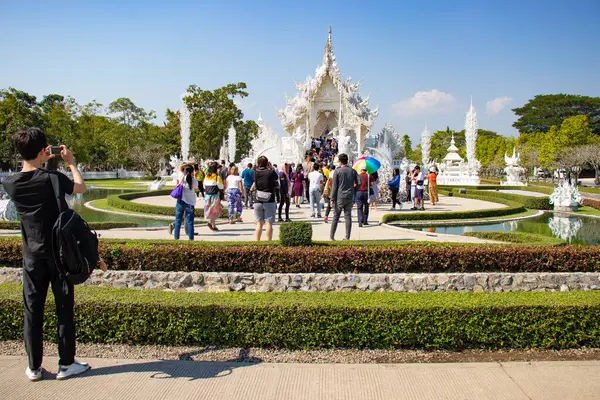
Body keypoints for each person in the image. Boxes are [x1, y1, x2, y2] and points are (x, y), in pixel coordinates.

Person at [2, 127, 97, 381]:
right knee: (64, 309)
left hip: (32, 256)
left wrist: (40, 160)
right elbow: (81, 188)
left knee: (32, 310)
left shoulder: (9, 183)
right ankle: (66, 364)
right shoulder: (52, 177)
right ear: (45, 149)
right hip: (59, 254)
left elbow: (29, 172)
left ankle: (34, 367)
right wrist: (71, 162)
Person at [330, 153, 360, 241]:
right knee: (348, 216)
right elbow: (359, 183)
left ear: (339, 161)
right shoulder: (352, 171)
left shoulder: (337, 171)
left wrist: (332, 198)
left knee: (336, 216)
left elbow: (334, 187)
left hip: (339, 196)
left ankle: (332, 236)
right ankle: (347, 237)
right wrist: (354, 190)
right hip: (349, 196)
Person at [252, 156, 279, 241]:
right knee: (269, 223)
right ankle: (268, 242)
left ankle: (257, 242)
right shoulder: (270, 172)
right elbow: (276, 178)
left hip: (258, 199)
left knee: (259, 224)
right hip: (269, 199)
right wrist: (271, 168)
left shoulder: (255, 172)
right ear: (267, 163)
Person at [173, 165, 198, 240]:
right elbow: (196, 188)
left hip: (180, 202)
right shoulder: (194, 180)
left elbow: (180, 168)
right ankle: (191, 239)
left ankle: (176, 238)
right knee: (190, 222)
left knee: (178, 221)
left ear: (184, 171)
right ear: (192, 172)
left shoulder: (181, 178)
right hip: (190, 203)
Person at [203, 164, 224, 231]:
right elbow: (221, 187)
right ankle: (210, 222)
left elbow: (204, 186)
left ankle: (214, 226)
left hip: (207, 197)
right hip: (214, 196)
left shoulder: (206, 176)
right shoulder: (217, 177)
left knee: (211, 211)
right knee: (216, 211)